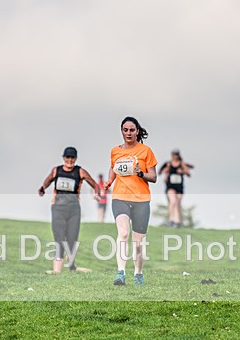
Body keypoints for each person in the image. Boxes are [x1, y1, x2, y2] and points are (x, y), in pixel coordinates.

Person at [104, 116, 158, 285]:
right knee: (123, 233)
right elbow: (113, 168)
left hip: (141, 200)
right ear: (121, 131)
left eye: (132, 130)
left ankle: (138, 273)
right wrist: (109, 182)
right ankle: (120, 273)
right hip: (120, 197)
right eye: (125, 130)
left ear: (137, 131)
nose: (128, 133)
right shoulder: (115, 151)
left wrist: (140, 173)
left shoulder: (146, 151)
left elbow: (154, 177)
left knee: (138, 243)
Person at [38, 146, 99, 274]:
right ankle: (57, 270)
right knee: (59, 238)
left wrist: (97, 193)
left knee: (72, 238)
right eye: (67, 157)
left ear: (75, 158)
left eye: (72, 157)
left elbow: (94, 184)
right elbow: (48, 180)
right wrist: (43, 188)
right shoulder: (56, 171)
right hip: (58, 209)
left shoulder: (80, 172)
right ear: (63, 157)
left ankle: (71, 265)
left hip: (74, 210)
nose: (70, 160)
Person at [159, 149, 193, 228]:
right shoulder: (168, 164)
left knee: (178, 203)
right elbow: (161, 172)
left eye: (176, 155)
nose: (175, 156)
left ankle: (178, 221)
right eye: (174, 155)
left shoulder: (182, 164)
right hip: (170, 185)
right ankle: (171, 220)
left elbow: (188, 174)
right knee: (172, 201)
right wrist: (165, 174)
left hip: (179, 186)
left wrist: (182, 172)